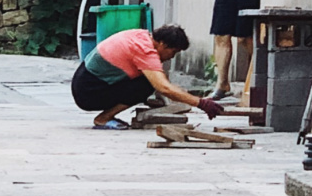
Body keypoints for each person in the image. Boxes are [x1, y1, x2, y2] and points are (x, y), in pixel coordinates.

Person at [70, 22, 224, 130]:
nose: (172, 57)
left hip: (84, 81)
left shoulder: (142, 36)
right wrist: (201, 104)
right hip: (88, 92)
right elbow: (163, 87)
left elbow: (162, 78)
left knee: (151, 79)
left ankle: (146, 101)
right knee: (146, 85)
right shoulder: (145, 51)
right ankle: (103, 119)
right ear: (163, 44)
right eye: (173, 52)